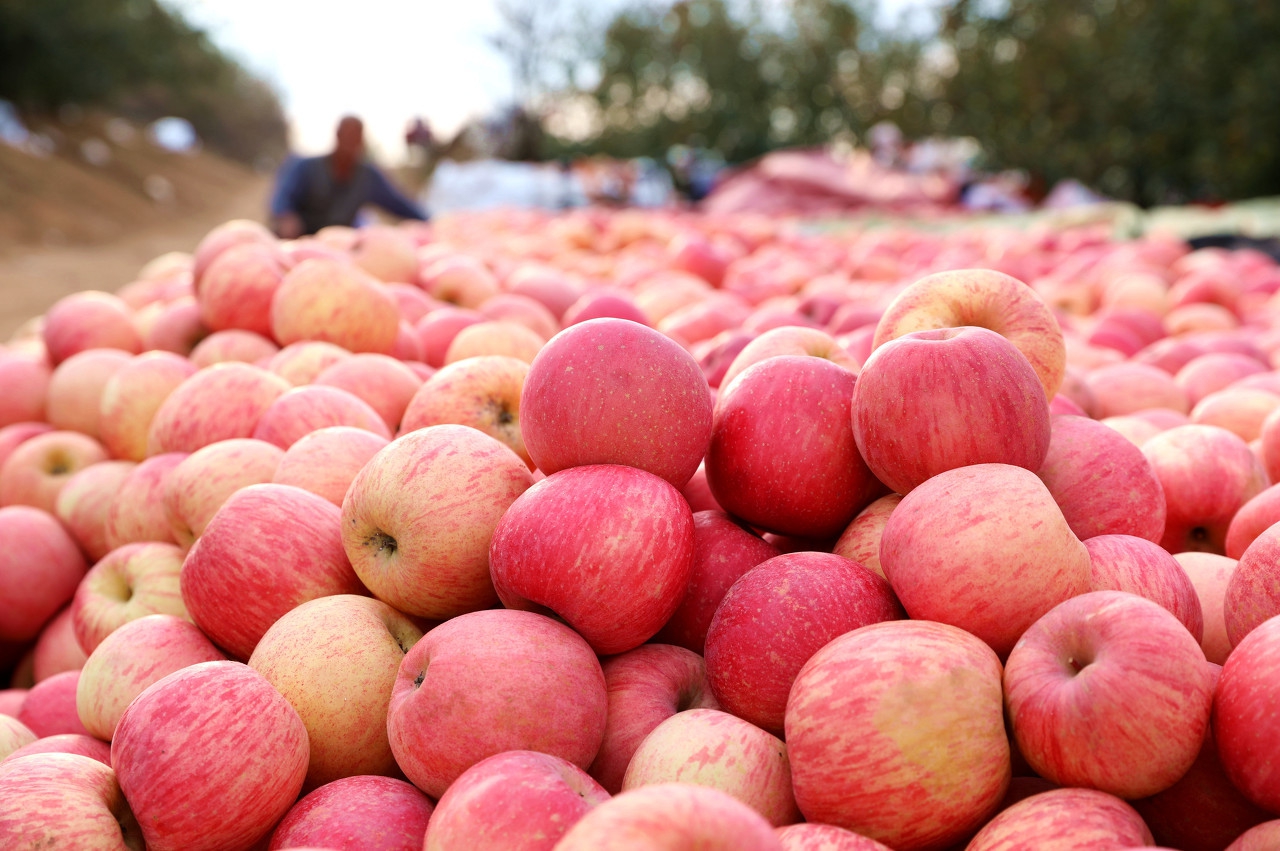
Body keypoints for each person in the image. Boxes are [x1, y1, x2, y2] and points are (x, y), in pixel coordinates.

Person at [270, 115, 428, 238]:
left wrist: (430, 223)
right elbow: (282, 197)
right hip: (301, 243)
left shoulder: (368, 177)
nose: (350, 143)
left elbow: (399, 204)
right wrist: (286, 217)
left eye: (355, 137)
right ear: (337, 136)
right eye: (346, 136)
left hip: (339, 249)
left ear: (361, 141)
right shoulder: (305, 167)